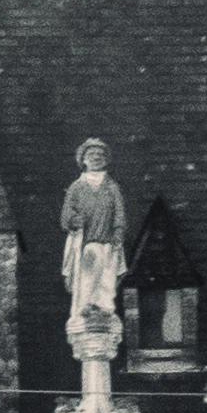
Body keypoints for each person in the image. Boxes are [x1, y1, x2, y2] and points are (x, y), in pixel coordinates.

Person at [62, 139, 128, 332]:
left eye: (100, 155)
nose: (96, 158)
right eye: (92, 155)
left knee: (107, 274)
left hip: (107, 240)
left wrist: (118, 231)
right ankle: (87, 305)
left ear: (106, 160)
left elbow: (119, 212)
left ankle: (104, 307)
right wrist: (74, 220)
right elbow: (66, 215)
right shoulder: (76, 187)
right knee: (89, 271)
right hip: (86, 241)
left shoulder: (111, 187)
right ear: (83, 160)